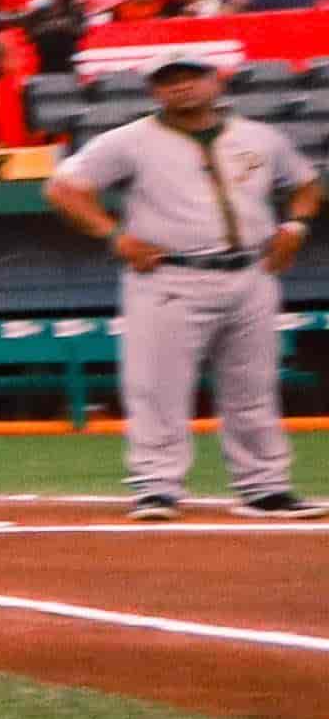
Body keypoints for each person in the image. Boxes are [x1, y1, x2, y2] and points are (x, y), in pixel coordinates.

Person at [44, 55, 312, 518]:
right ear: (154, 91)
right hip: (170, 275)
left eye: (191, 77)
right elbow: (63, 187)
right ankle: (156, 486)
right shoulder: (131, 140)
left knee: (254, 388)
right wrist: (114, 235)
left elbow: (306, 183)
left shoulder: (258, 137)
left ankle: (264, 486)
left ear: (215, 81)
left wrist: (295, 228)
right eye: (168, 81)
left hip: (250, 273)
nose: (181, 87)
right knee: (158, 387)